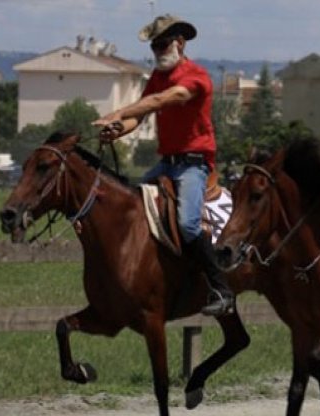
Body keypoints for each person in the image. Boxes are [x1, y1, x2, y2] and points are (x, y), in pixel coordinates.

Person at [92, 14, 234, 317]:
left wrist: (119, 112)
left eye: (163, 44)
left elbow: (163, 100)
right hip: (166, 164)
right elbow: (139, 117)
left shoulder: (196, 76)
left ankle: (221, 289)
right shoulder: (157, 77)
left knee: (188, 223)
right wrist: (117, 129)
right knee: (131, 205)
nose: (158, 51)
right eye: (154, 46)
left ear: (180, 43)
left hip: (194, 166)